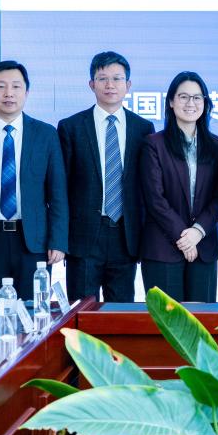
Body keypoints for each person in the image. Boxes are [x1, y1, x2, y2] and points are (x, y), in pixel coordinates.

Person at [0, 61, 68, 300]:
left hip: (33, 242)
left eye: (16, 86)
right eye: (1, 86)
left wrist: (58, 240)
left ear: (26, 92)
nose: (9, 93)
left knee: (33, 311)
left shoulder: (46, 134)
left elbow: (58, 192)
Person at [57, 52, 155, 302]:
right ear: (92, 84)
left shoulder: (143, 129)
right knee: (81, 312)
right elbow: (61, 187)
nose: (110, 85)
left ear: (128, 85)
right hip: (83, 237)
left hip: (125, 235)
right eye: (102, 79)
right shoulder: (71, 127)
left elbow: (146, 187)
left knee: (120, 314)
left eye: (117, 79)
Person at [139, 72, 218, 302]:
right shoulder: (153, 144)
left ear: (205, 103)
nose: (191, 103)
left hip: (204, 246)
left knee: (202, 321)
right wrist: (184, 237)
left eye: (197, 98)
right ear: (171, 101)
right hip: (162, 247)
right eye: (183, 97)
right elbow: (155, 199)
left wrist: (197, 231)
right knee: (166, 321)